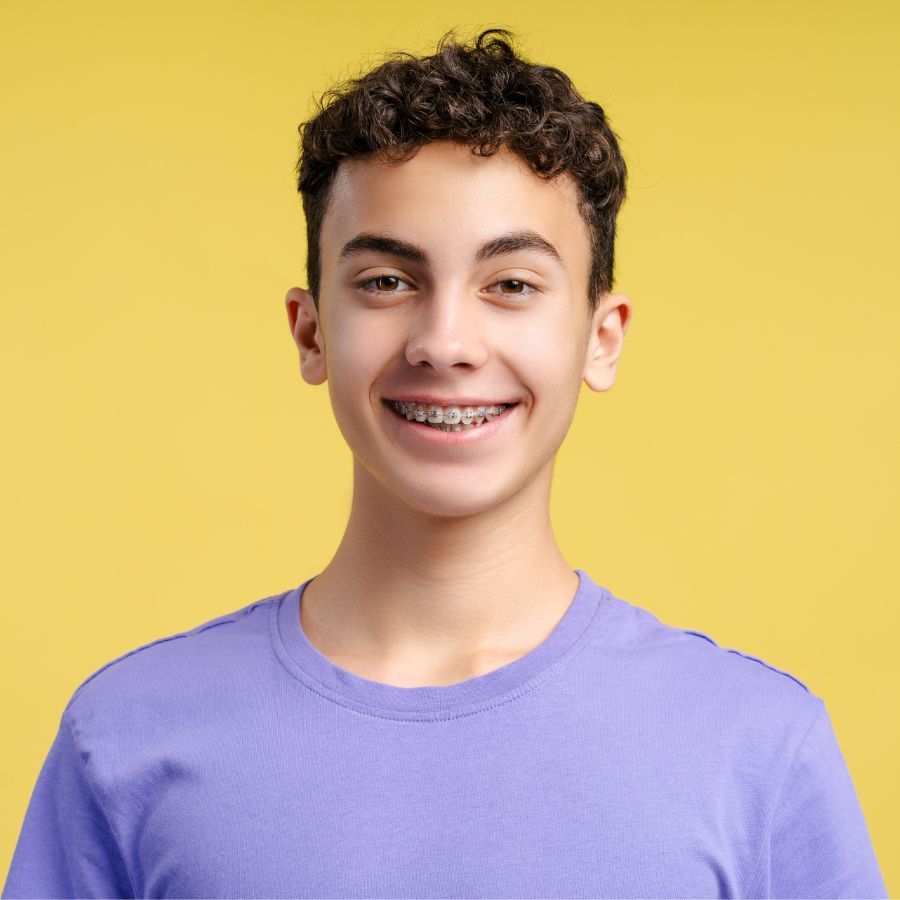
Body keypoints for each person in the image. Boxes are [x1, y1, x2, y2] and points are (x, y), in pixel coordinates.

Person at [2, 27, 887, 900]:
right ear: (311, 331)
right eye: (388, 280)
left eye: (512, 285)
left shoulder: (757, 748)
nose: (446, 343)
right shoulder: (125, 738)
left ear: (601, 337)